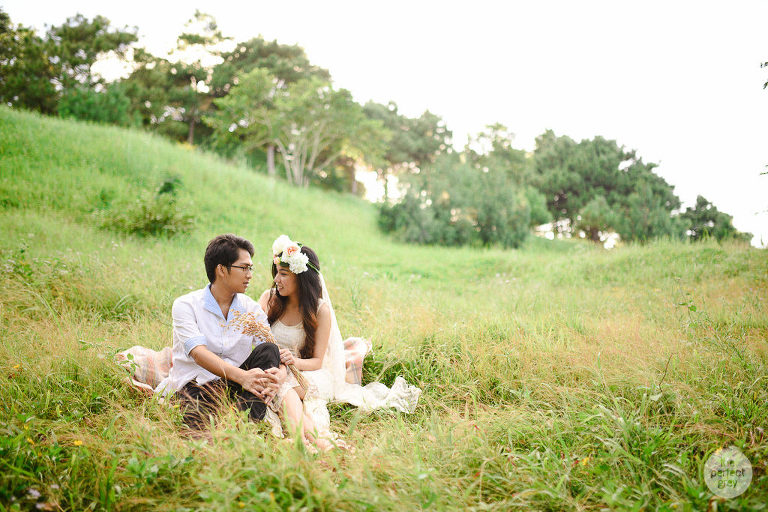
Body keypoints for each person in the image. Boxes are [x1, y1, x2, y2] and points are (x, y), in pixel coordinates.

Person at [258, 235, 422, 447]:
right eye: (276, 273)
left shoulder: (319, 310)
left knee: (284, 383)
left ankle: (305, 441)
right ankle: (321, 442)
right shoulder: (269, 299)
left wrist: (291, 363)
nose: (276, 280)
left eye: (283, 274)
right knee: (282, 384)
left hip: (309, 372)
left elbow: (317, 361)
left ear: (301, 277)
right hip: (273, 368)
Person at [166, 234, 287, 432]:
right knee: (198, 430)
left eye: (251, 268)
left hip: (236, 385)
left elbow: (272, 348)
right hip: (198, 386)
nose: (250, 274)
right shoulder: (186, 305)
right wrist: (243, 377)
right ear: (221, 269)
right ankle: (222, 425)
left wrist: (280, 375)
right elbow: (198, 353)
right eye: (244, 268)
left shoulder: (250, 308)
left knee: (269, 350)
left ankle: (246, 425)